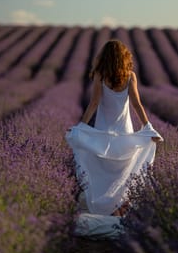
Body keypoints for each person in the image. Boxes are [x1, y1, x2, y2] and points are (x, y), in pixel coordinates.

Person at [66, 39, 163, 217]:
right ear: (123, 57)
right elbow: (137, 105)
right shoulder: (130, 76)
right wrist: (148, 128)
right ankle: (119, 209)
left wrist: (81, 128)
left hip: (103, 131)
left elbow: (94, 103)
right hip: (124, 132)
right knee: (123, 173)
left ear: (104, 57)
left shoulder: (100, 75)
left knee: (103, 172)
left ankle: (103, 207)